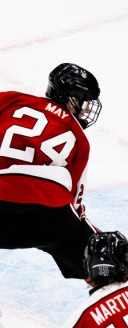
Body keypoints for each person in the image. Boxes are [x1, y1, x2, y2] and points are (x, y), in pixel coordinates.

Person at [0, 63, 102, 280]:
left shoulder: (12, 99)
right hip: (40, 216)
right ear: (71, 98)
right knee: (90, 254)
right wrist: (88, 235)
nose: (85, 111)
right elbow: (75, 203)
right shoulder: (79, 138)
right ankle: (113, 286)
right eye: (84, 103)